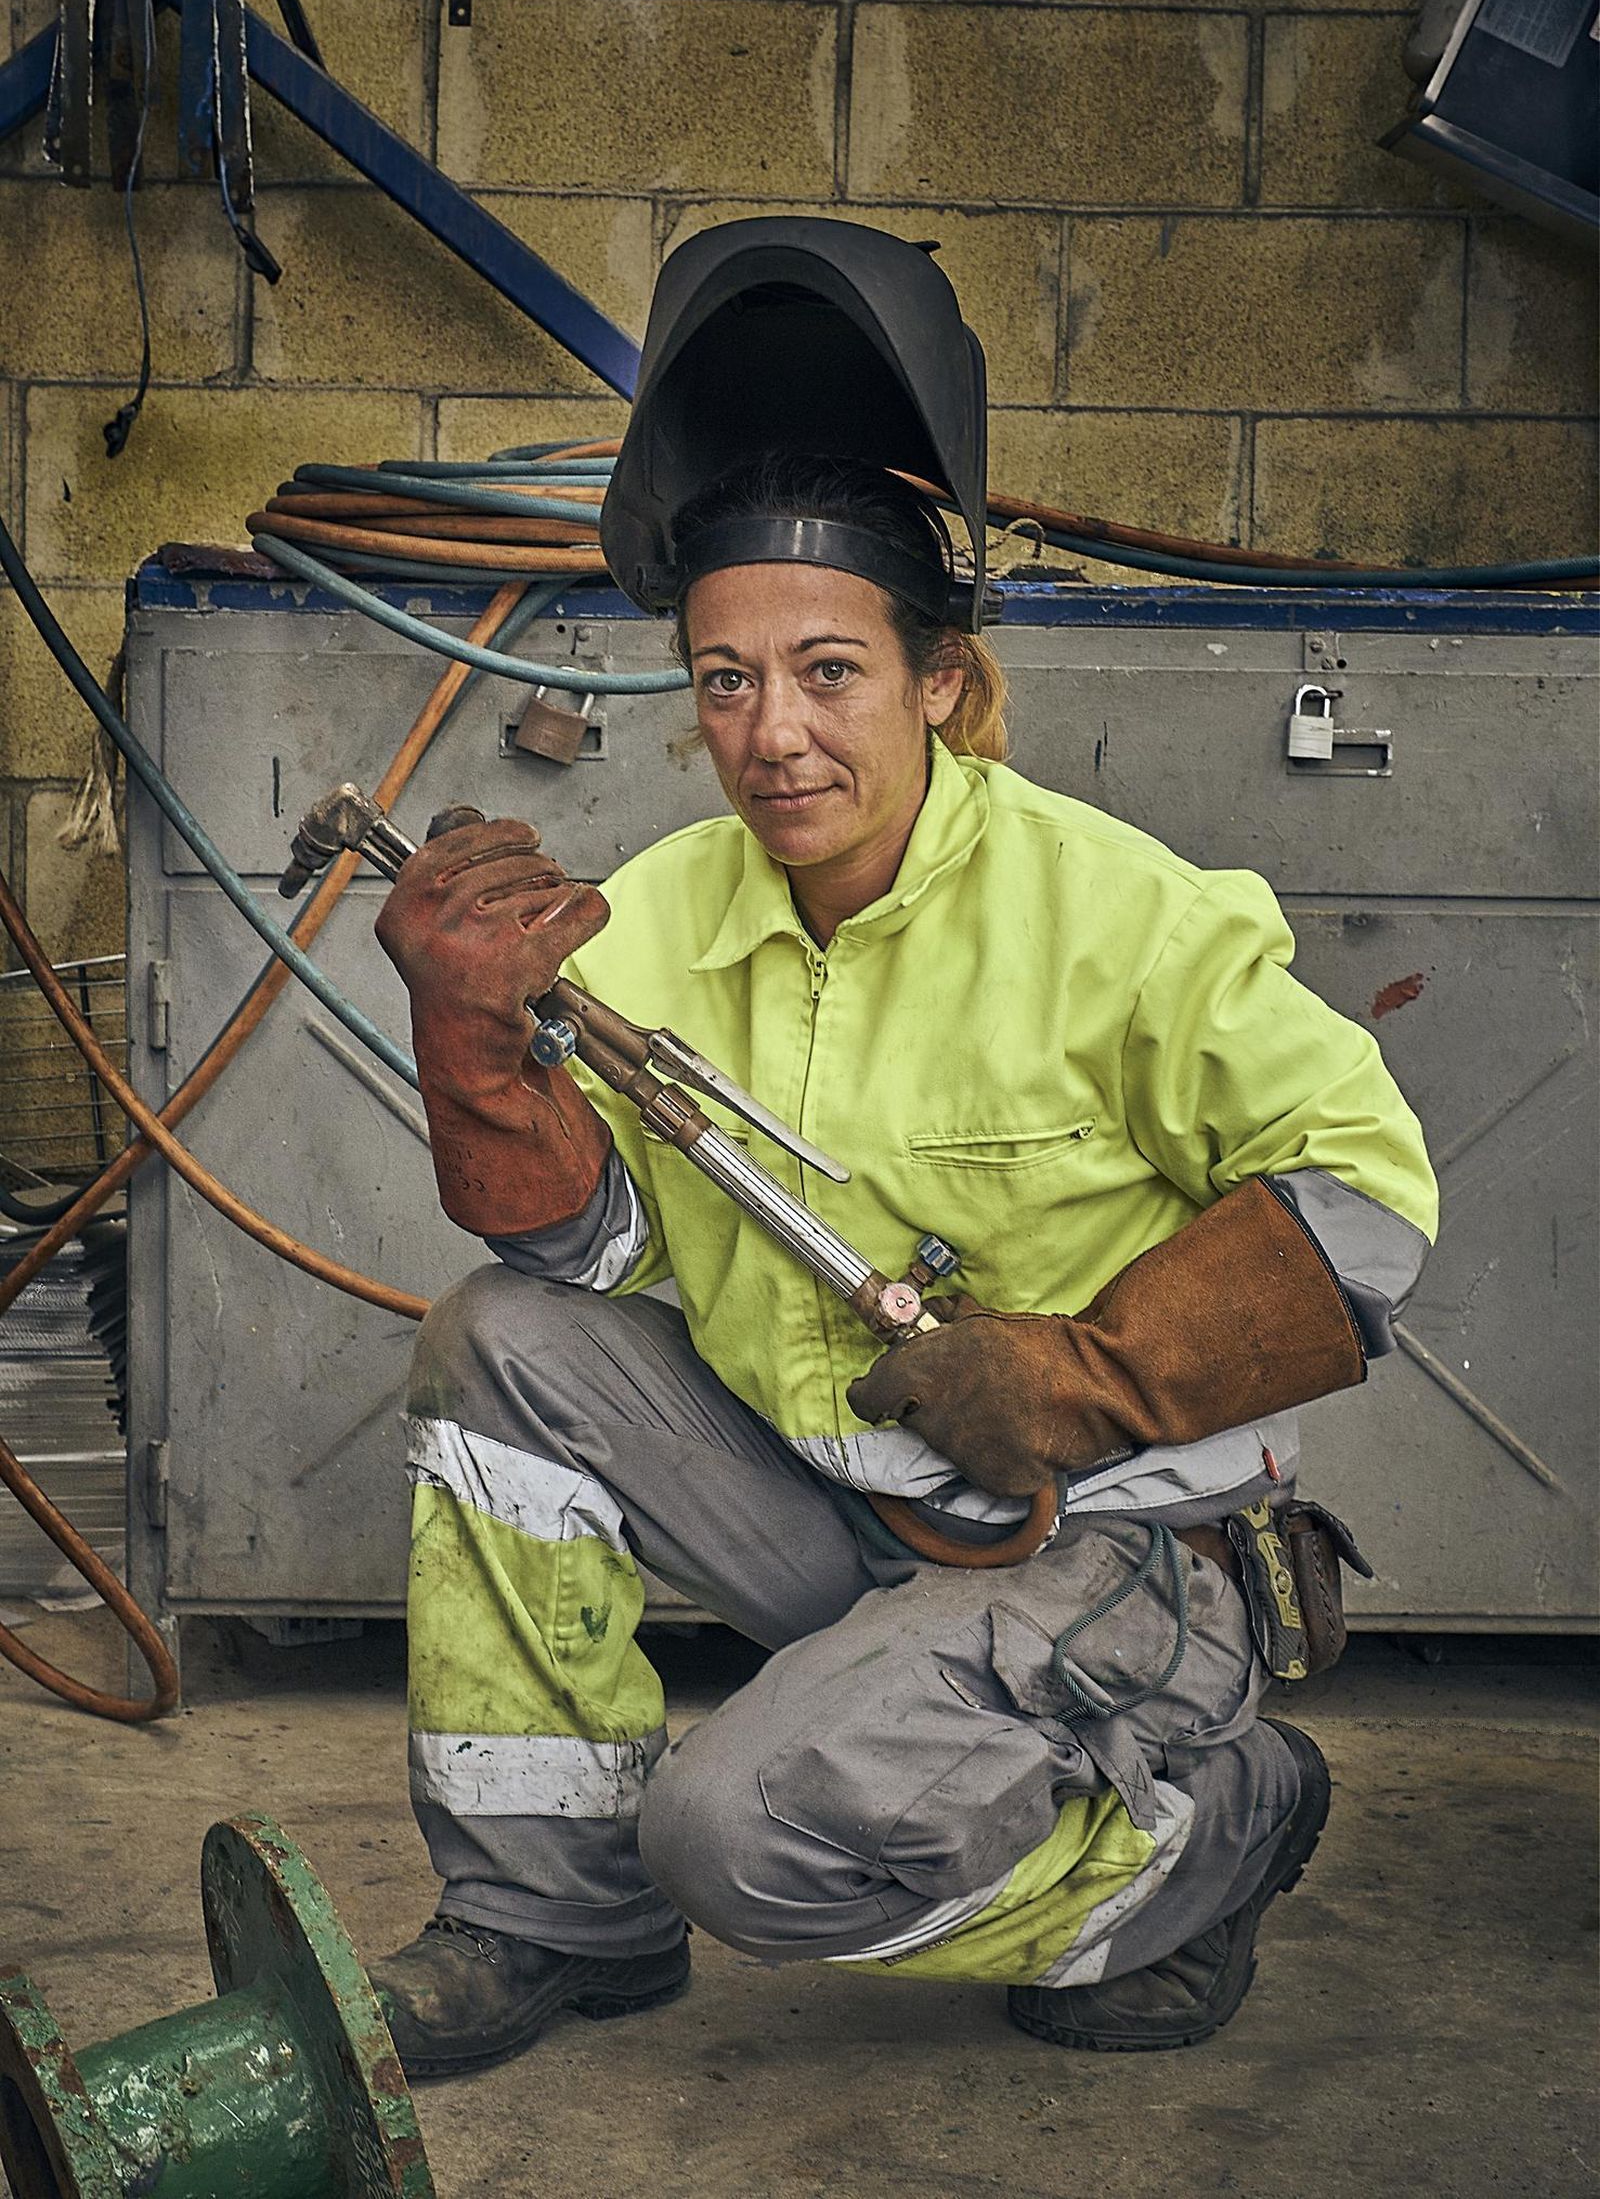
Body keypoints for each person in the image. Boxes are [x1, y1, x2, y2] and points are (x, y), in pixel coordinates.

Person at [369, 221, 1438, 2080]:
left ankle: (1214, 1835)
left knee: (739, 1838)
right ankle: (555, 1917)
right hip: (836, 1505)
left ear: (937, 679)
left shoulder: (1116, 914)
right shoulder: (661, 913)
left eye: (829, 672)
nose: (772, 736)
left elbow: (1370, 1204)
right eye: (722, 682)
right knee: (490, 1344)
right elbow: (594, 1269)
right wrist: (478, 1066)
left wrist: (1085, 1374)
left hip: (1105, 1544)